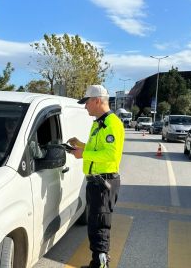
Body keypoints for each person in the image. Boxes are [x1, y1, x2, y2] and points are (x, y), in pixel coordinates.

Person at [67, 85, 124, 268]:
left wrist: (84, 154)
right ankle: (96, 264)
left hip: (103, 183)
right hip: (97, 182)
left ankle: (101, 265)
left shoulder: (111, 123)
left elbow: (111, 154)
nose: (85, 107)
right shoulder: (100, 122)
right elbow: (98, 150)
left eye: (87, 102)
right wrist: (81, 145)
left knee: (100, 227)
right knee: (95, 226)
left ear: (97, 101)